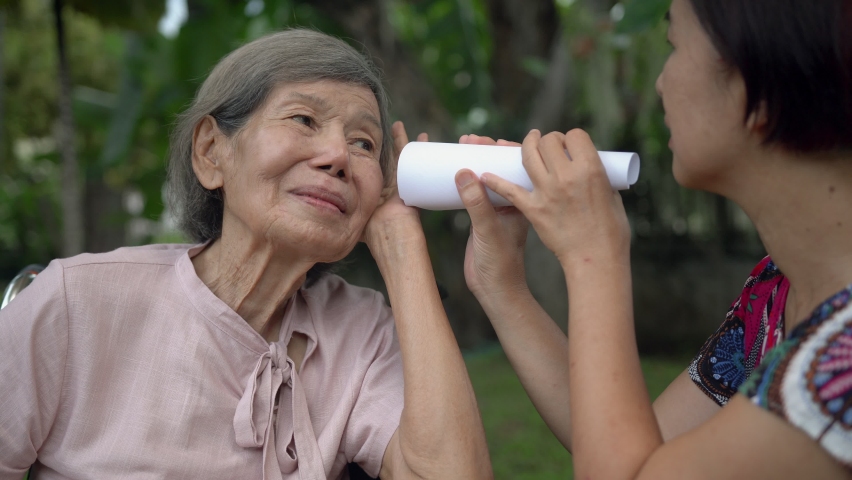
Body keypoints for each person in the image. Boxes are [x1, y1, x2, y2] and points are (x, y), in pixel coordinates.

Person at [0, 29, 491, 480]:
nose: (339, 156)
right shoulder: (77, 303)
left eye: (364, 143)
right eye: (304, 119)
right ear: (212, 151)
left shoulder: (364, 334)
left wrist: (400, 241)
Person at [453, 0, 852, 477]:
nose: (661, 82)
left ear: (758, 89)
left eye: (675, 46)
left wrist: (592, 255)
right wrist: (503, 288)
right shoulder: (779, 288)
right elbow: (639, 446)